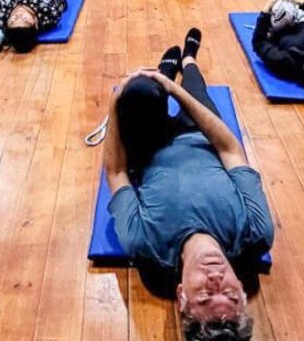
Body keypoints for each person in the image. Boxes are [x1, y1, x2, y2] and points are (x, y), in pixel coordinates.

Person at [104, 29, 275, 340]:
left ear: (181, 294)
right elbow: (230, 150)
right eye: (231, 294)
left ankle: (162, 73)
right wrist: (178, 92)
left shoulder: (145, 245)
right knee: (194, 84)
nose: (216, 277)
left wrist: (115, 102)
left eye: (206, 296)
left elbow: (116, 173)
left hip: (149, 148)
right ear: (241, 287)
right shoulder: (255, 232)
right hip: (202, 136)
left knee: (140, 92)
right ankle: (188, 58)